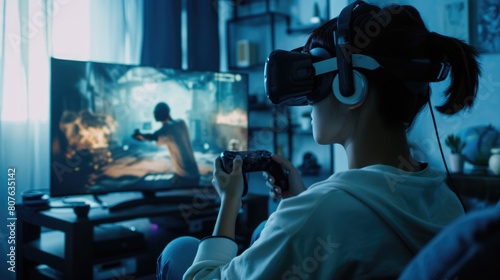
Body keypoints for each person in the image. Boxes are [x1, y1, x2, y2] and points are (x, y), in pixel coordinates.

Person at [157, 1, 481, 279]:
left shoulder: (322, 211)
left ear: (350, 86)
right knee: (259, 233)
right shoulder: (444, 197)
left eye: (314, 79)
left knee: (182, 248)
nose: (309, 100)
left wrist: (230, 201)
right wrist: (297, 203)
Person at [133, 102, 200, 187]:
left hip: (185, 177)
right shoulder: (180, 122)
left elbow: (153, 136)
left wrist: (140, 136)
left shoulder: (168, 129)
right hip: (193, 174)